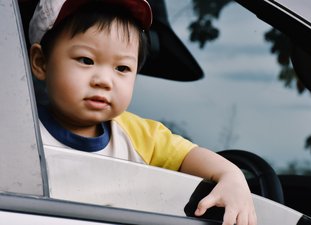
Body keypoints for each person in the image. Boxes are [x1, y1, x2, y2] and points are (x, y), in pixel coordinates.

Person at [28, 1, 256, 225]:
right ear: (40, 62)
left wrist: (231, 176)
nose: (104, 81)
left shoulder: (140, 135)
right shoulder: (21, 128)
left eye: (122, 68)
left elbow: (189, 156)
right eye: (86, 60)